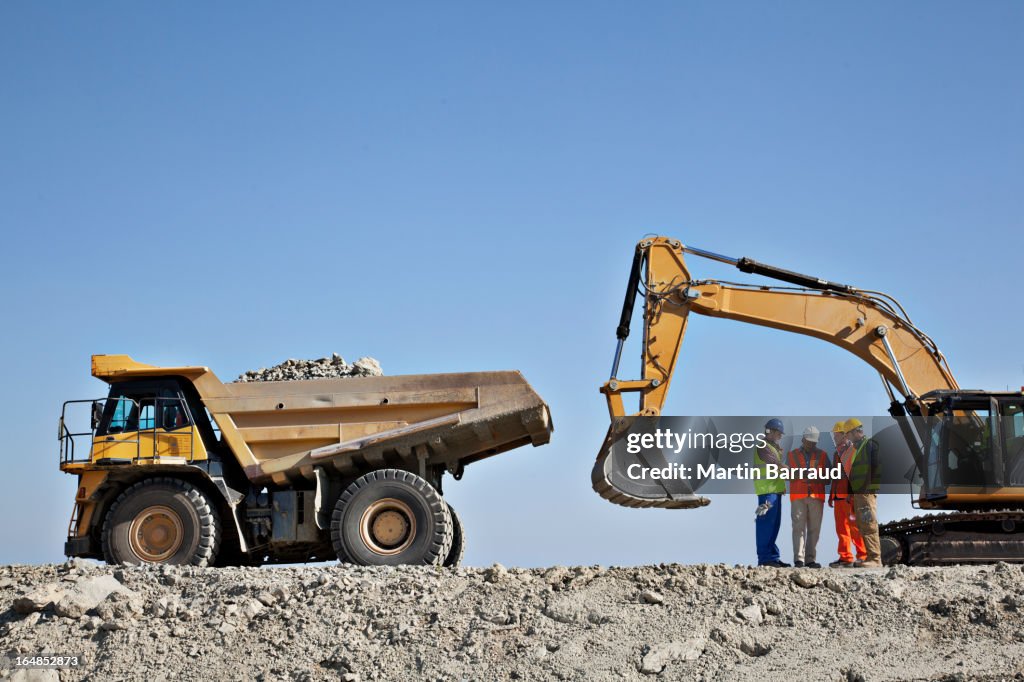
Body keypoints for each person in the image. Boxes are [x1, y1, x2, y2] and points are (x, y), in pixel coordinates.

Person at [787, 426, 828, 568]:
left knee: (814, 528)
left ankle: (810, 559)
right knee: (798, 527)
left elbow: (829, 477)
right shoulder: (791, 455)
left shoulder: (822, 455)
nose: (812, 444)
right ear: (803, 439)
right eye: (809, 441)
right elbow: (785, 475)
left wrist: (817, 476)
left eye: (814, 442)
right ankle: (799, 559)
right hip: (798, 495)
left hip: (816, 496)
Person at [844, 418, 882, 567]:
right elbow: (853, 473)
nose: (847, 438)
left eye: (848, 434)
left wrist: (870, 488)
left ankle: (875, 559)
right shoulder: (856, 449)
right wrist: (850, 492)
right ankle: (870, 557)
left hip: (866, 493)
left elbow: (876, 467)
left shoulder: (870, 445)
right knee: (862, 524)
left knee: (868, 524)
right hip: (859, 493)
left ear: (855, 432)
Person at [828, 420, 866, 568]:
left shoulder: (852, 450)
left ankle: (863, 555)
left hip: (849, 496)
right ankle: (846, 557)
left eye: (836, 434)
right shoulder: (836, 453)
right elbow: (835, 476)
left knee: (855, 527)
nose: (835, 437)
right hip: (839, 497)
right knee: (841, 529)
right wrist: (832, 495)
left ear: (844, 435)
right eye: (834, 435)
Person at [754, 418, 789, 567]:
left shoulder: (773, 446)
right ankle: (765, 558)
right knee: (766, 524)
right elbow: (775, 464)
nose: (781, 436)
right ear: (771, 431)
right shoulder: (763, 445)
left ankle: (772, 557)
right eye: (779, 433)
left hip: (774, 491)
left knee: (774, 525)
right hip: (766, 492)